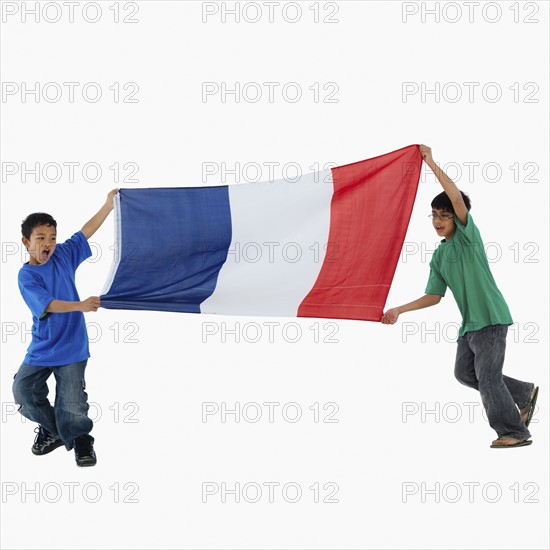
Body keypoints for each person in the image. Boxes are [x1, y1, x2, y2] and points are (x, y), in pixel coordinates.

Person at [382, 145, 538, 448]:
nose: (439, 220)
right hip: (470, 327)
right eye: (434, 215)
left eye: (446, 215)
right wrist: (399, 310)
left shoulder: (468, 239)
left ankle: (515, 432)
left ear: (458, 218)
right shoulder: (440, 256)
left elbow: (454, 196)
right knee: (466, 374)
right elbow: (433, 296)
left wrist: (430, 162)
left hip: (491, 319)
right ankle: (523, 393)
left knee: (489, 379)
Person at [13, 189, 118, 466]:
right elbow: (48, 305)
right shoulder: (27, 276)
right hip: (43, 346)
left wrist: (108, 205)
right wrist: (80, 305)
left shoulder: (62, 256)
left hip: (72, 346)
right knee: (23, 392)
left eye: (52, 238)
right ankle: (57, 431)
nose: (48, 243)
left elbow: (86, 231)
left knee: (72, 403)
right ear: (26, 242)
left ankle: (81, 439)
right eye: (40, 238)